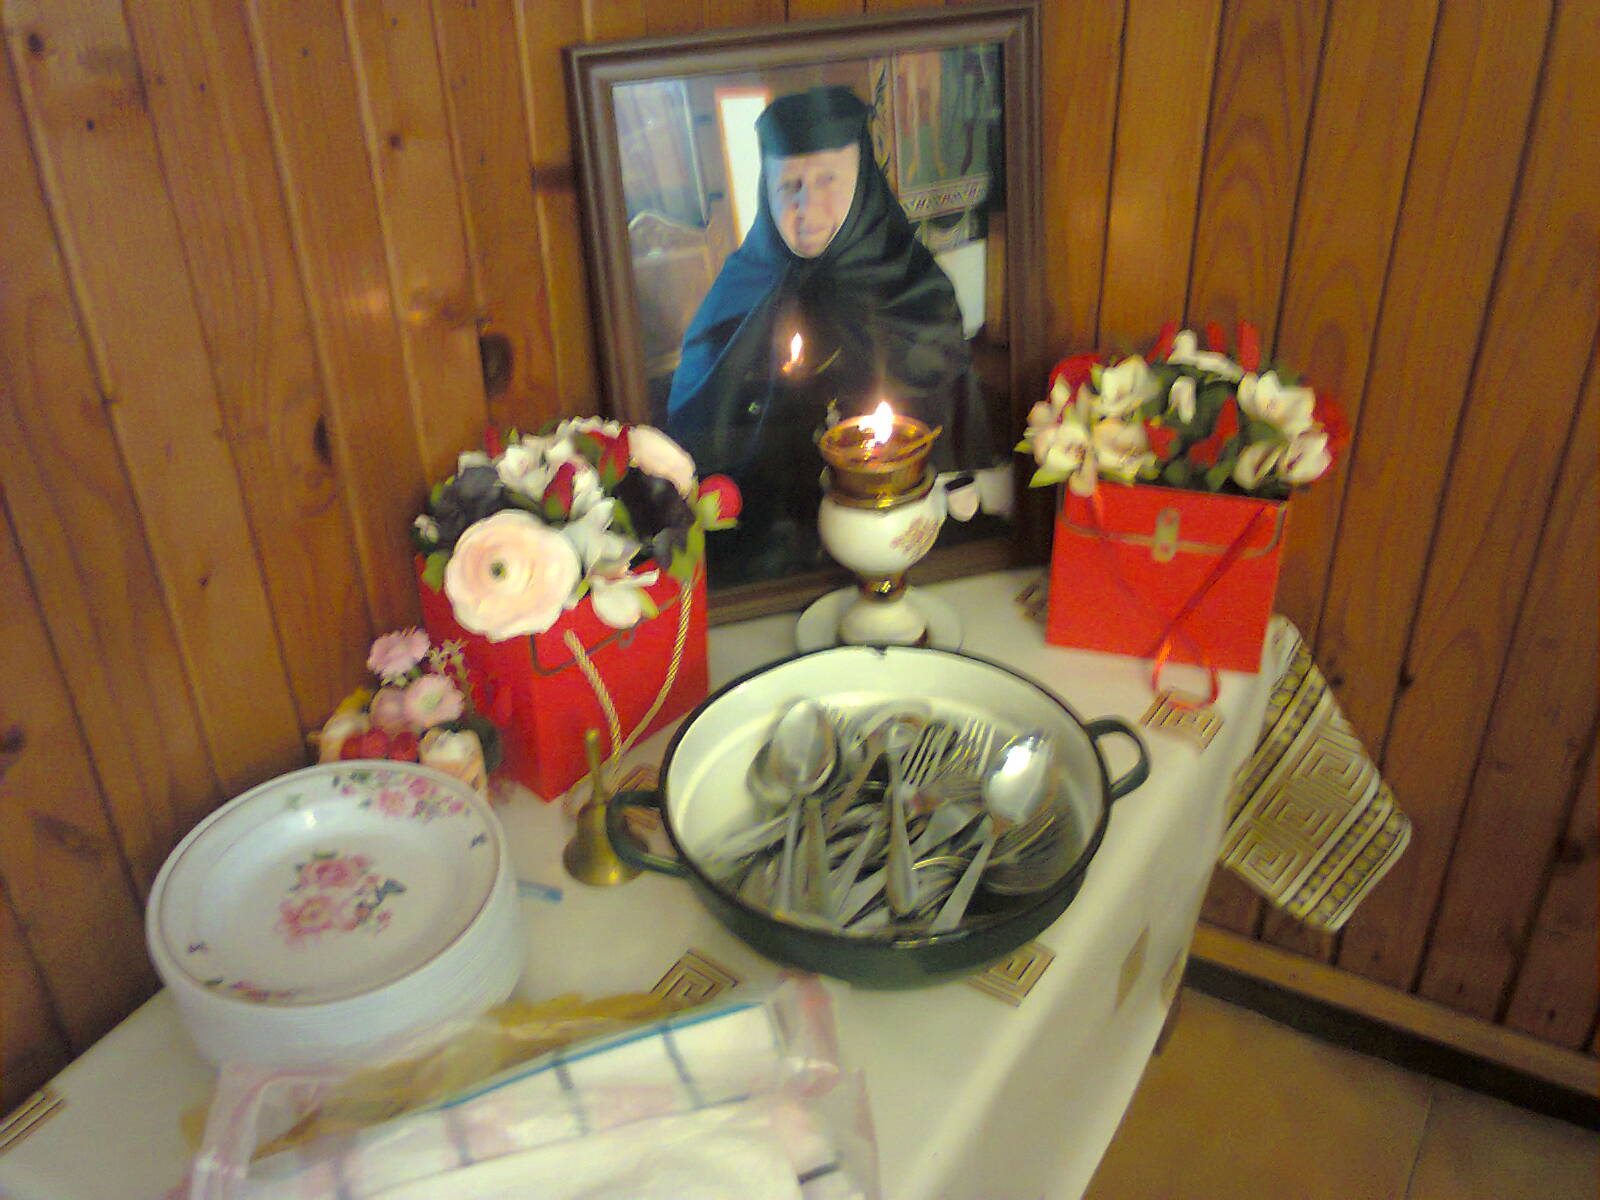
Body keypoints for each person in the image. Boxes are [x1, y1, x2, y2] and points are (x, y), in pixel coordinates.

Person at [664, 85, 997, 585]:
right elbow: (701, 415)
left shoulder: (913, 288)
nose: (806, 207)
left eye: (827, 180)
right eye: (788, 185)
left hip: (900, 538)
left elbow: (948, 409)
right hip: (769, 555)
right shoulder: (742, 286)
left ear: (861, 182)